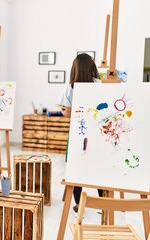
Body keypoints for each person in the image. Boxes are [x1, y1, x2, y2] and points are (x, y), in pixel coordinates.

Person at [59, 53, 103, 213]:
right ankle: (102, 204)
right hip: (98, 133)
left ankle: (79, 204)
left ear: (75, 68)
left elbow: (67, 113)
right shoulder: (101, 84)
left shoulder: (70, 88)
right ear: (92, 67)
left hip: (79, 133)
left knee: (76, 168)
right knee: (98, 167)